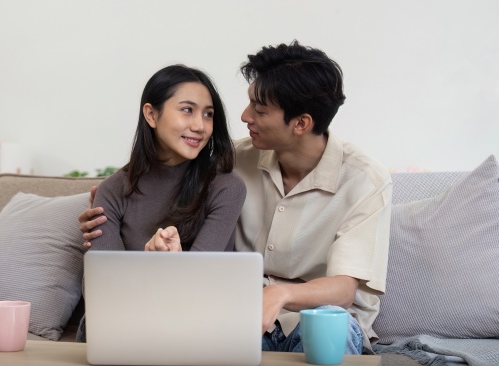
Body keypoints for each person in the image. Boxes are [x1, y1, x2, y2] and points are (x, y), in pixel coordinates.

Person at [79, 41, 392, 355]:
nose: (244, 116)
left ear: (300, 123)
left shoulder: (364, 180)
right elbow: (161, 170)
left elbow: (344, 288)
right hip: (238, 315)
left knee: (331, 328)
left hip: (319, 317)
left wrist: (278, 295)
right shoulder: (234, 159)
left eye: (259, 110)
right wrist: (104, 202)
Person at [75, 64, 246, 340]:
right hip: (124, 320)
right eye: (187, 110)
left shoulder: (226, 186)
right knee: (96, 322)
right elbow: (101, 289)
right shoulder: (113, 189)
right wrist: (151, 268)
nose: (200, 126)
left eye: (208, 114)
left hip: (196, 319)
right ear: (151, 114)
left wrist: (170, 267)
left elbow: (199, 285)